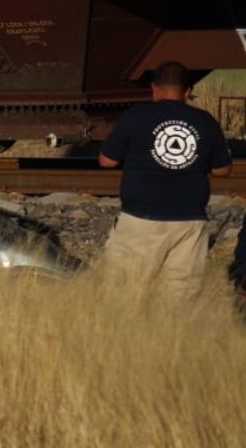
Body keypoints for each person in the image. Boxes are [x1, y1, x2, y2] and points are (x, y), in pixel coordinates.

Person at [98, 60, 232, 299]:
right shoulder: (205, 121)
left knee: (123, 296)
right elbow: (223, 169)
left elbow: (107, 160)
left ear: (154, 88)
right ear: (188, 91)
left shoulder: (136, 115)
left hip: (141, 220)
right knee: (180, 299)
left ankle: (123, 337)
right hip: (190, 222)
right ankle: (172, 336)